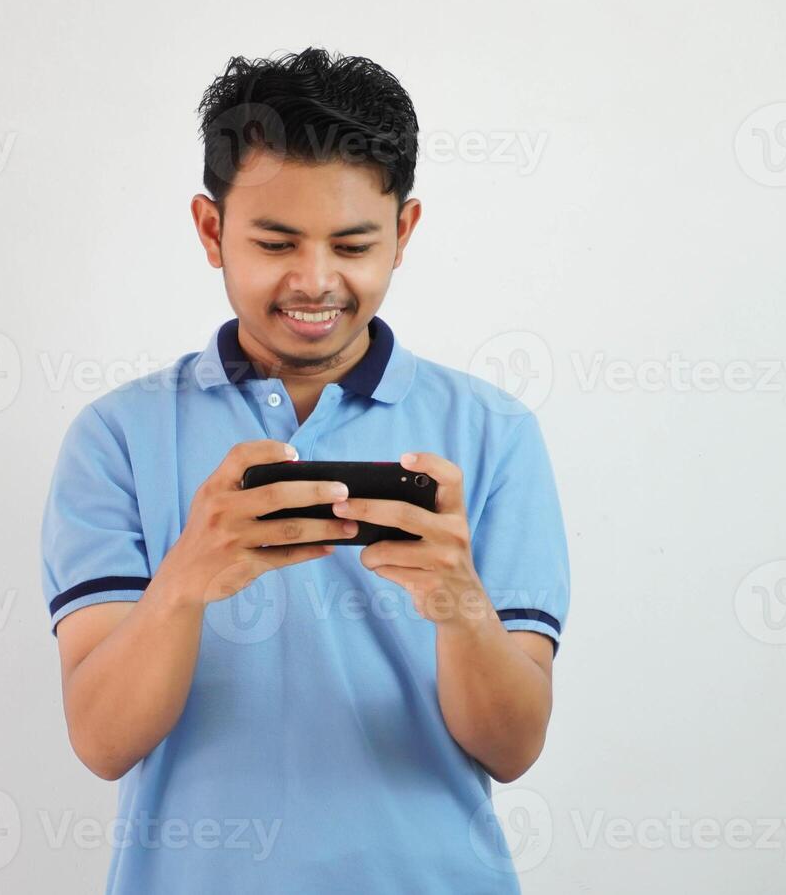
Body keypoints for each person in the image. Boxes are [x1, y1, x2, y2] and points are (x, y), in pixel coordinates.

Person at [40, 47, 570, 894]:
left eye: (354, 243)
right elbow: (103, 741)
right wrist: (185, 579)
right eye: (276, 241)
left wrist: (460, 605)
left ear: (405, 232)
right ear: (212, 232)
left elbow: (513, 749)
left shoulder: (494, 433)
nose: (315, 281)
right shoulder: (117, 436)